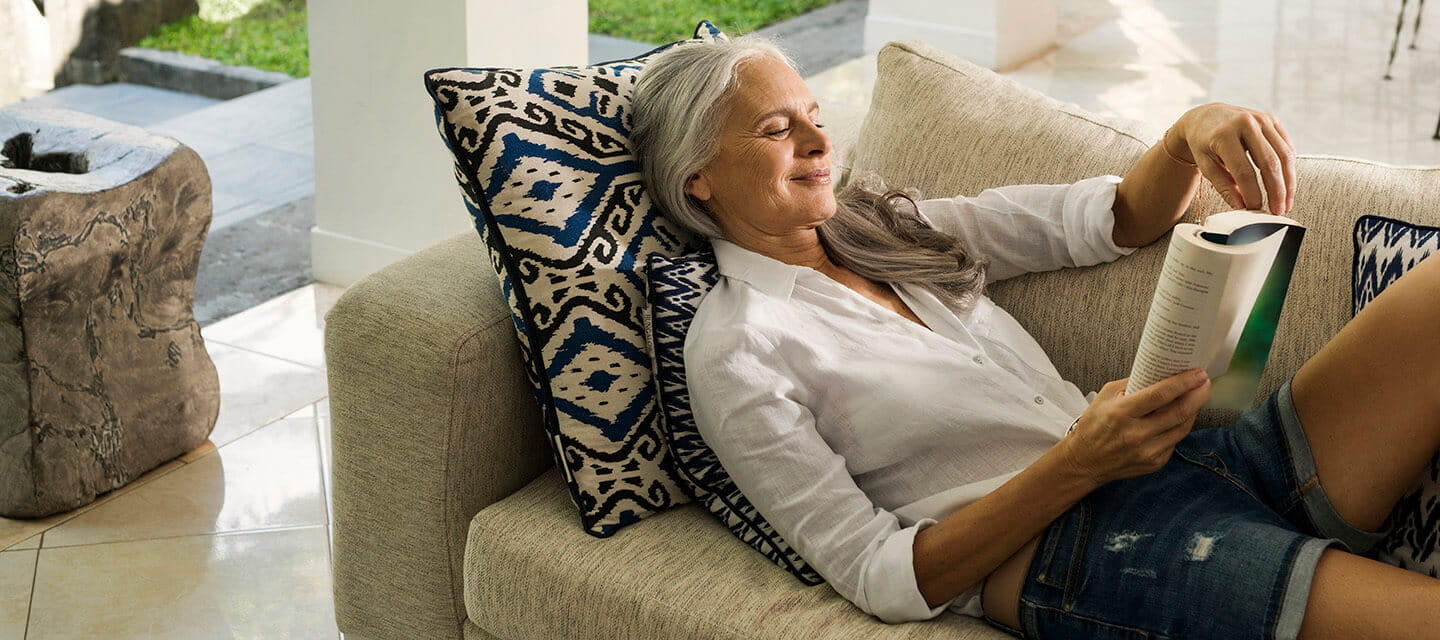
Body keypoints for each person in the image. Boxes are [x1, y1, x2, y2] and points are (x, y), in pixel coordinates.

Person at [629, 35, 1440, 640]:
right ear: (697, 176)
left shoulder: (889, 230)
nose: (818, 142)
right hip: (1085, 549)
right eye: (777, 130)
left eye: (813, 117)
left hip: (1190, 459)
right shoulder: (737, 351)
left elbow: (1111, 221)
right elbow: (882, 577)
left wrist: (1192, 129)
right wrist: (1081, 460)